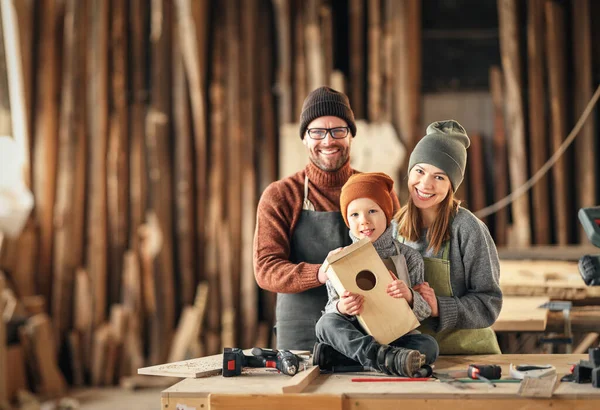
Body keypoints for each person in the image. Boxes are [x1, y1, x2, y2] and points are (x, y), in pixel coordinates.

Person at [253, 87, 401, 351]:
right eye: (317, 132)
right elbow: (266, 269)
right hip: (303, 334)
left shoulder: (378, 190)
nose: (328, 140)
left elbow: (401, 252)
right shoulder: (282, 195)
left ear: (351, 135)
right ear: (305, 139)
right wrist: (321, 273)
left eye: (338, 131)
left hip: (372, 330)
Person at [313, 172, 438, 376]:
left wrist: (408, 295)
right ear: (347, 220)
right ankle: (388, 359)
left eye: (372, 211)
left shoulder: (409, 257)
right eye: (354, 215)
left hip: (396, 335)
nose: (364, 221)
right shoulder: (338, 261)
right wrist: (341, 307)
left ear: (386, 214)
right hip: (357, 334)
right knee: (325, 324)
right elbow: (330, 307)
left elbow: (423, 313)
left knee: (429, 346)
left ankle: (343, 359)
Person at [394, 119, 502, 354]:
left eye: (439, 177)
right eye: (420, 171)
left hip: (467, 355)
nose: (425, 184)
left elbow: (489, 303)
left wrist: (439, 308)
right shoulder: (394, 228)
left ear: (452, 185)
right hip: (413, 357)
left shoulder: (468, 229)